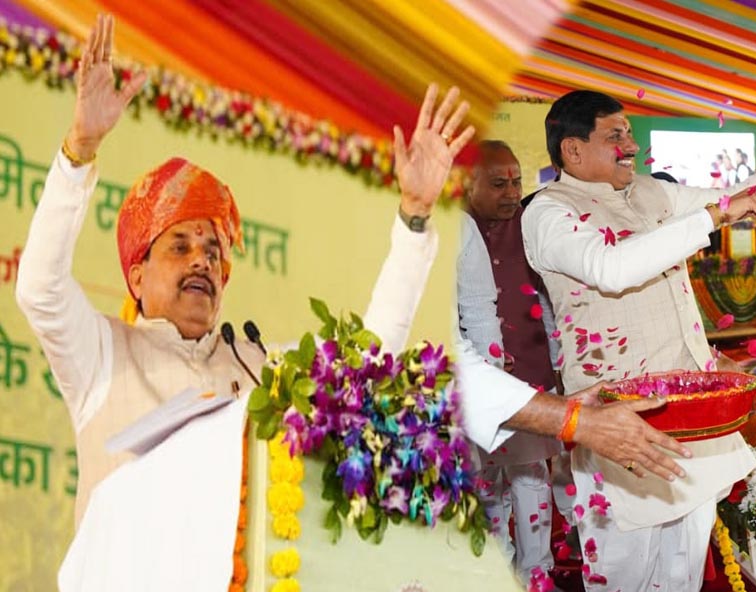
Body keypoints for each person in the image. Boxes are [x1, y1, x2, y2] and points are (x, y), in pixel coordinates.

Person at [15, 18, 476, 529]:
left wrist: (414, 215)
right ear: (137, 277)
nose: (202, 261)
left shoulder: (259, 368)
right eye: (180, 246)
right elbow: (39, 288)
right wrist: (79, 150)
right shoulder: (101, 354)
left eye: (213, 251)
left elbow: (364, 364)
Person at [516, 88, 756, 592]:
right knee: (622, 588)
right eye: (615, 136)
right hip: (618, 426)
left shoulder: (649, 192)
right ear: (572, 150)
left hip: (693, 423)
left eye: (630, 134)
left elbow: (730, 196)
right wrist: (717, 215)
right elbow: (613, 268)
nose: (631, 147)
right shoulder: (548, 213)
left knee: (680, 580)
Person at [456, 140, 563, 585]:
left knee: (532, 474)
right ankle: (497, 577)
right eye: (499, 184)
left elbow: (550, 301)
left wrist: (559, 362)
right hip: (471, 380)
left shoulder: (531, 226)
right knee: (485, 482)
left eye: (517, 182)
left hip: (531, 372)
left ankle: (537, 573)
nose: (513, 193)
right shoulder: (454, 227)